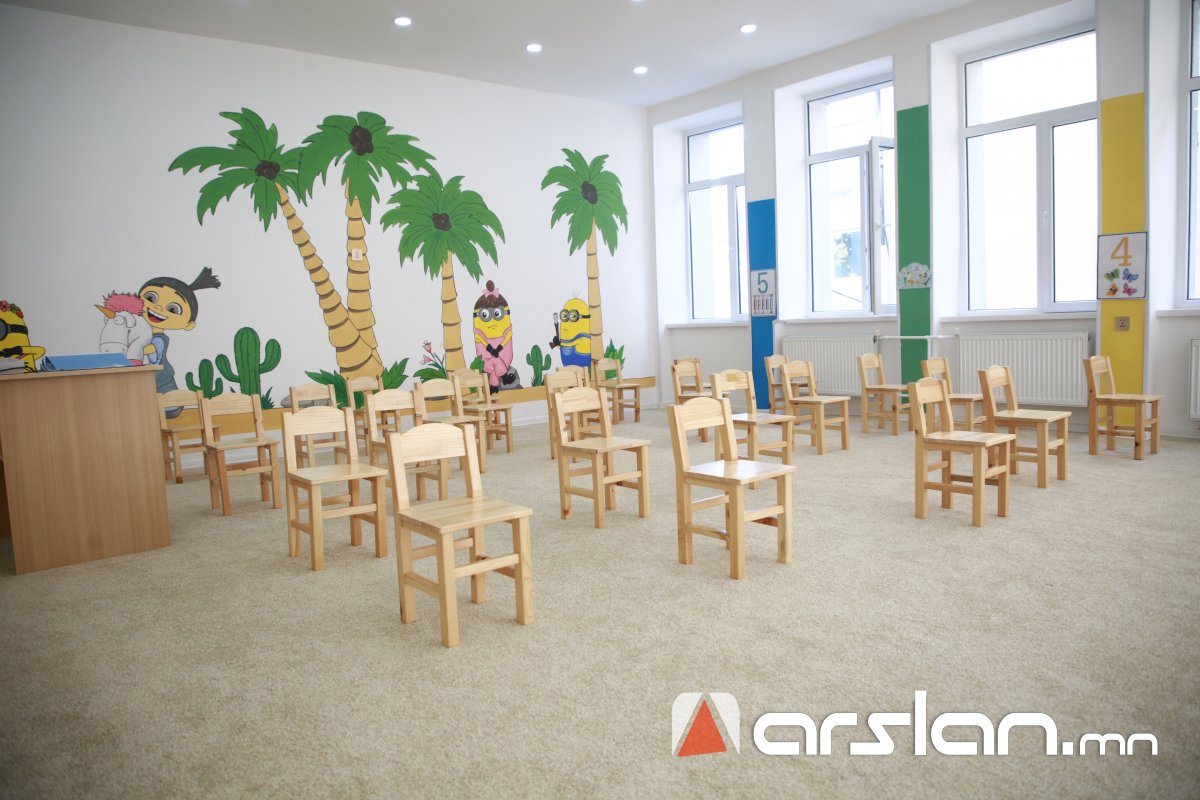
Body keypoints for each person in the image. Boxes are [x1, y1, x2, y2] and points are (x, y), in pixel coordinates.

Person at [138, 267, 221, 395]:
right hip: (148, 382)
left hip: (163, 382)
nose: (158, 307)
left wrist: (129, 350)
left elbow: (149, 349)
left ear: (188, 325)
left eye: (173, 309)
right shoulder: (143, 334)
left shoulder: (160, 339)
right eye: (150, 298)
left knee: (171, 403)